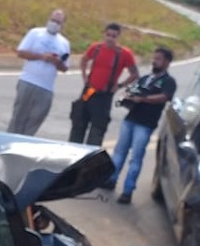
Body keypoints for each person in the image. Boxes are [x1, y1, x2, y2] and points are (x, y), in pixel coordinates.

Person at [102, 47, 176, 204]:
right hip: (131, 118)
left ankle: (128, 190)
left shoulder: (169, 82)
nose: (154, 61)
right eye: (154, 58)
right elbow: (132, 91)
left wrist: (143, 99)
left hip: (146, 123)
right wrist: (128, 98)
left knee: (136, 157)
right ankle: (111, 179)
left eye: (158, 59)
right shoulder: (145, 78)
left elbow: (164, 97)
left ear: (167, 62)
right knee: (119, 152)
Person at [68, 23, 138, 146]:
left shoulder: (124, 54)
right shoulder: (96, 48)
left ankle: (89, 159)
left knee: (97, 129)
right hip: (89, 91)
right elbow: (84, 60)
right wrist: (84, 77)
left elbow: (134, 74)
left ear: (118, 37)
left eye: (114, 36)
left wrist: (120, 85)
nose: (110, 38)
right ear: (104, 35)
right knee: (78, 122)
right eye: (108, 35)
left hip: (104, 96)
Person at [7, 8, 70, 135]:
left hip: (46, 87)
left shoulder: (64, 43)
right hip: (28, 81)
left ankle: (25, 144)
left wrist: (56, 62)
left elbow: (65, 67)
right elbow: (21, 52)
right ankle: (9, 142)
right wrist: (42, 57)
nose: (54, 24)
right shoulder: (35, 33)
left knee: (35, 120)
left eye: (58, 22)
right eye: (53, 20)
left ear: (62, 25)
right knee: (18, 117)